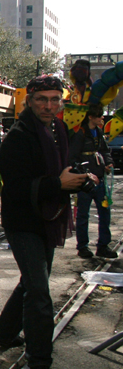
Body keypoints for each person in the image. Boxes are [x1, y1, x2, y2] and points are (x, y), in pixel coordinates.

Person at [0, 75, 95, 369]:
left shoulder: (59, 129)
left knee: (32, 282)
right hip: (22, 222)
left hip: (49, 217)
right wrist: (58, 184)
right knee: (39, 292)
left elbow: (62, 169)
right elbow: (18, 188)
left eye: (54, 99)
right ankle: (40, 362)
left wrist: (81, 178)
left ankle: (4, 333)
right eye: (42, 99)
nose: (49, 105)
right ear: (29, 101)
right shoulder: (17, 137)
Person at [68, 104, 117, 259]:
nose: (102, 118)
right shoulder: (80, 133)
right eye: (99, 115)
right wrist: (85, 175)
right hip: (86, 182)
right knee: (83, 215)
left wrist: (108, 163)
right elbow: (73, 158)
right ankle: (82, 246)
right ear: (91, 117)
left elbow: (104, 150)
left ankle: (103, 245)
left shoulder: (99, 132)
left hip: (100, 178)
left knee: (105, 213)